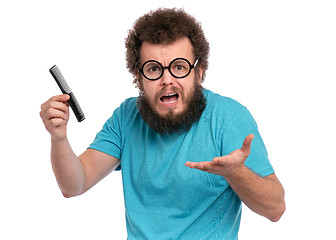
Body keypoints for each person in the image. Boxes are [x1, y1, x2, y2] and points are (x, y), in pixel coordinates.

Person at [40, 8, 285, 240]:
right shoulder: (127, 116)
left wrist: (236, 173)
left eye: (179, 67)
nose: (167, 80)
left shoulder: (228, 117)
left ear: (198, 72)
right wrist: (58, 138)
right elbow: (74, 184)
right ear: (138, 77)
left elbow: (275, 209)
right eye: (154, 69)